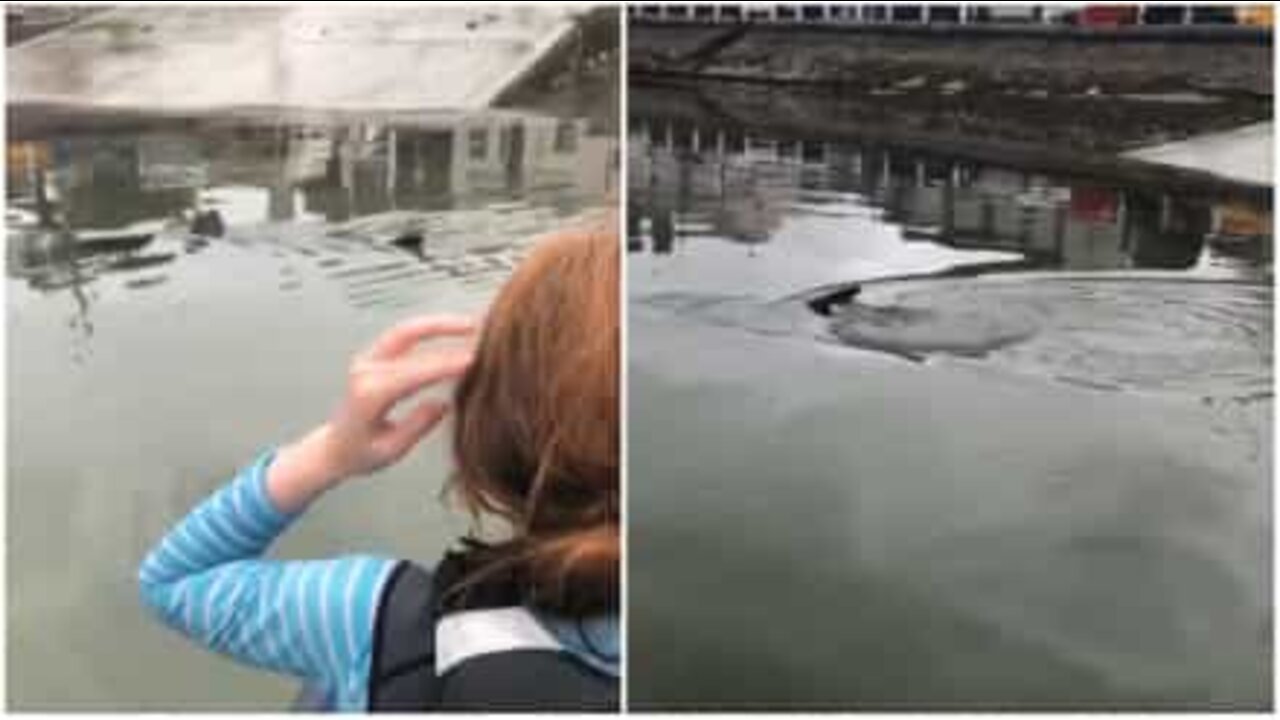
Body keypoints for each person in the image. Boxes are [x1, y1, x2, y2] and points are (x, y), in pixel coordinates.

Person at [138, 228, 619, 711]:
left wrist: (329, 453)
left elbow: (173, 580)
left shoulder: (372, 619)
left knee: (326, 691)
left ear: (486, 422)